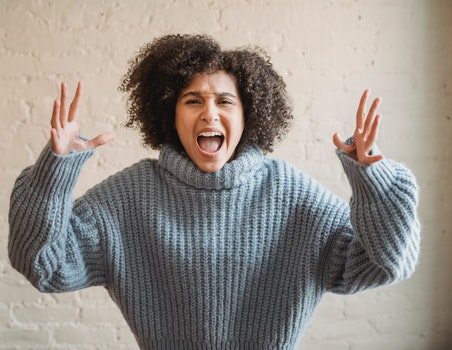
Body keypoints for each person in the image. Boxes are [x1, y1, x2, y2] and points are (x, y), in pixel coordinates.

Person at [8, 34, 420, 349]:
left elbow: (387, 263)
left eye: (225, 100)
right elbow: (44, 265)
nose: (209, 112)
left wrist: (374, 178)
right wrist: (53, 173)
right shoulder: (130, 197)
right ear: (170, 113)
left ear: (248, 116)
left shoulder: (290, 195)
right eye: (192, 100)